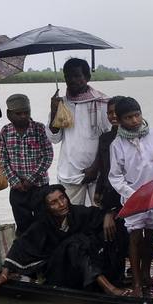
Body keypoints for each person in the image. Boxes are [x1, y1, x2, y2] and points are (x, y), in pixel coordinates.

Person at [0, 185, 130, 297]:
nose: (61, 204)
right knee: (76, 243)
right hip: (58, 273)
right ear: (46, 208)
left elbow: (98, 214)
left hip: (80, 270)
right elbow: (19, 247)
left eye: (62, 198)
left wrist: (109, 215)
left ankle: (114, 278)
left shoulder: (77, 213)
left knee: (115, 226)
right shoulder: (41, 226)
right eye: (54, 202)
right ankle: (108, 288)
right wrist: (4, 274)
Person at [107, 97, 153, 297]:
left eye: (137, 115)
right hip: (133, 199)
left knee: (151, 235)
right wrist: (132, 194)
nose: (134, 120)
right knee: (134, 238)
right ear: (119, 119)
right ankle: (136, 283)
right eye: (129, 117)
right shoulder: (117, 144)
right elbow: (115, 177)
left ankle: (146, 274)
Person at [48, 58, 111, 206]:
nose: (72, 80)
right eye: (68, 76)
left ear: (87, 77)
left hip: (98, 173)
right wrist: (53, 110)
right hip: (69, 172)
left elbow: (108, 139)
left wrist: (95, 167)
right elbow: (54, 138)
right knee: (71, 217)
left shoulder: (103, 102)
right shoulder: (60, 103)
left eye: (77, 76)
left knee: (98, 216)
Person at [0, 94, 53, 233]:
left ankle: (44, 252)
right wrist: (14, 180)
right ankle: (26, 252)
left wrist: (31, 179)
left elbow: (48, 156)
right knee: (23, 226)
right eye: (18, 113)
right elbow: (3, 160)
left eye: (26, 112)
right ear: (9, 114)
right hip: (17, 189)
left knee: (44, 223)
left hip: (40, 186)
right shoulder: (5, 131)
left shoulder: (40, 129)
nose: (23, 116)